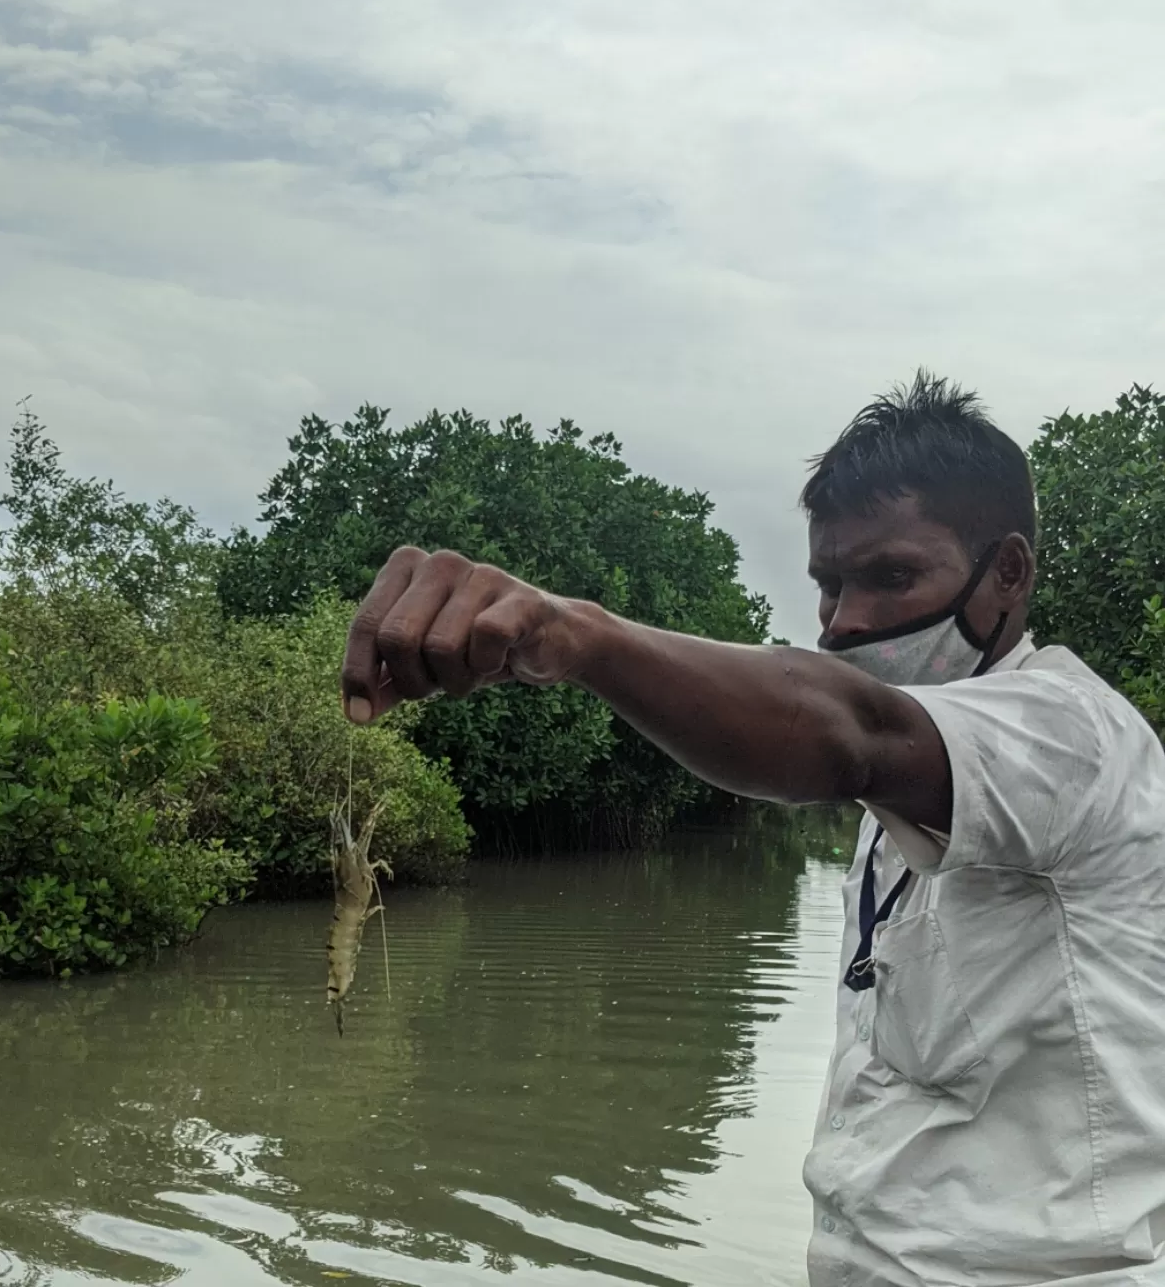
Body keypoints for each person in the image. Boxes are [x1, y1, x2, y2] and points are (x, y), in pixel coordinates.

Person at [340, 371, 1165, 1287]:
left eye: (892, 576)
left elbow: (841, 729)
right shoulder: (925, 778)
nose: (845, 620)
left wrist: (571, 634)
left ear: (1005, 573)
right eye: (828, 584)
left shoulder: (1065, 732)